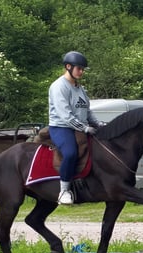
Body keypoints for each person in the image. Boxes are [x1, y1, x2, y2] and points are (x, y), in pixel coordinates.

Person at [48, 51, 102, 204]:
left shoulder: (80, 88)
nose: (82, 72)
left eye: (83, 69)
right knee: (71, 153)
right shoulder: (58, 86)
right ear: (68, 67)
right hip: (62, 127)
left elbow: (87, 110)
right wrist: (85, 128)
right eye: (79, 68)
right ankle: (64, 190)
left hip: (80, 127)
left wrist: (98, 124)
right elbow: (65, 115)